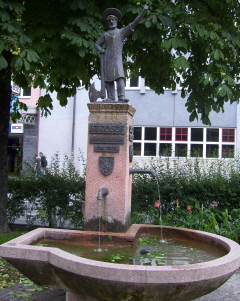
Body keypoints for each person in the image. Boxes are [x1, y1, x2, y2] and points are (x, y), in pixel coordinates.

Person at [95, 5, 149, 103]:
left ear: (116, 20)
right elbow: (97, 44)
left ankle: (121, 96)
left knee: (120, 76)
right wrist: (101, 50)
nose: (111, 21)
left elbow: (134, 23)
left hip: (117, 59)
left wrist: (143, 11)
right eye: (109, 20)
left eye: (113, 19)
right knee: (108, 79)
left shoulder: (121, 32)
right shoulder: (105, 34)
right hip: (108, 59)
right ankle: (111, 97)